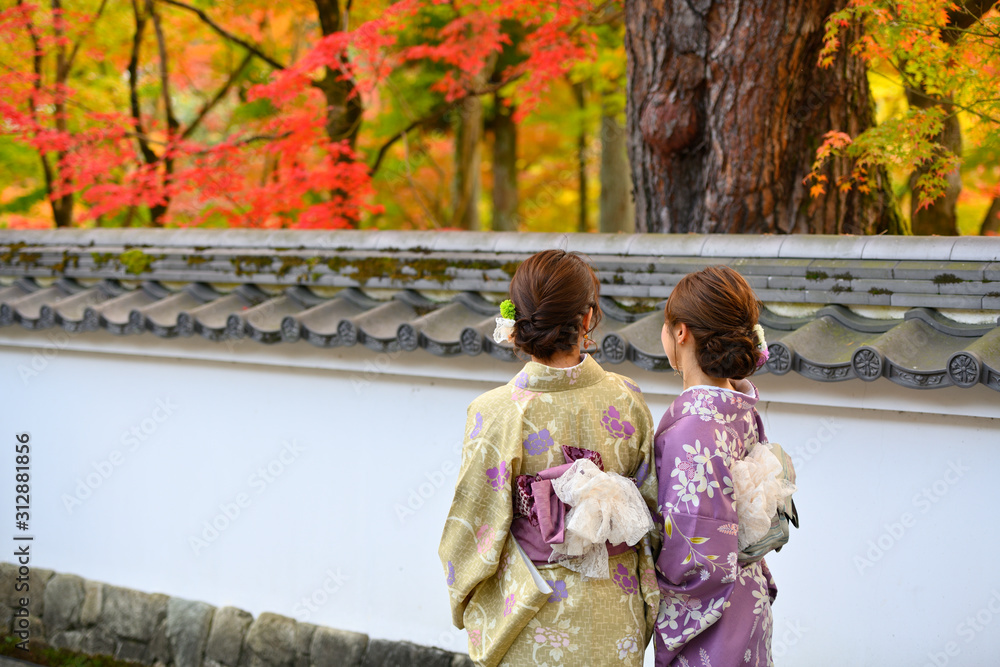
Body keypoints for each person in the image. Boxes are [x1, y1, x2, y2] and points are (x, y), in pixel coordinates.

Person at [439, 249, 661, 667]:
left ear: (518, 318)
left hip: (531, 607)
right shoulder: (627, 397)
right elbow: (651, 507)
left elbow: (473, 525)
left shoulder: (495, 411)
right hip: (616, 604)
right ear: (588, 315)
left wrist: (466, 599)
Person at [653, 265, 791, 667]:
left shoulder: (692, 429)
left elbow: (694, 555)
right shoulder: (740, 407)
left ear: (681, 332)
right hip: (746, 598)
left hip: (710, 619)